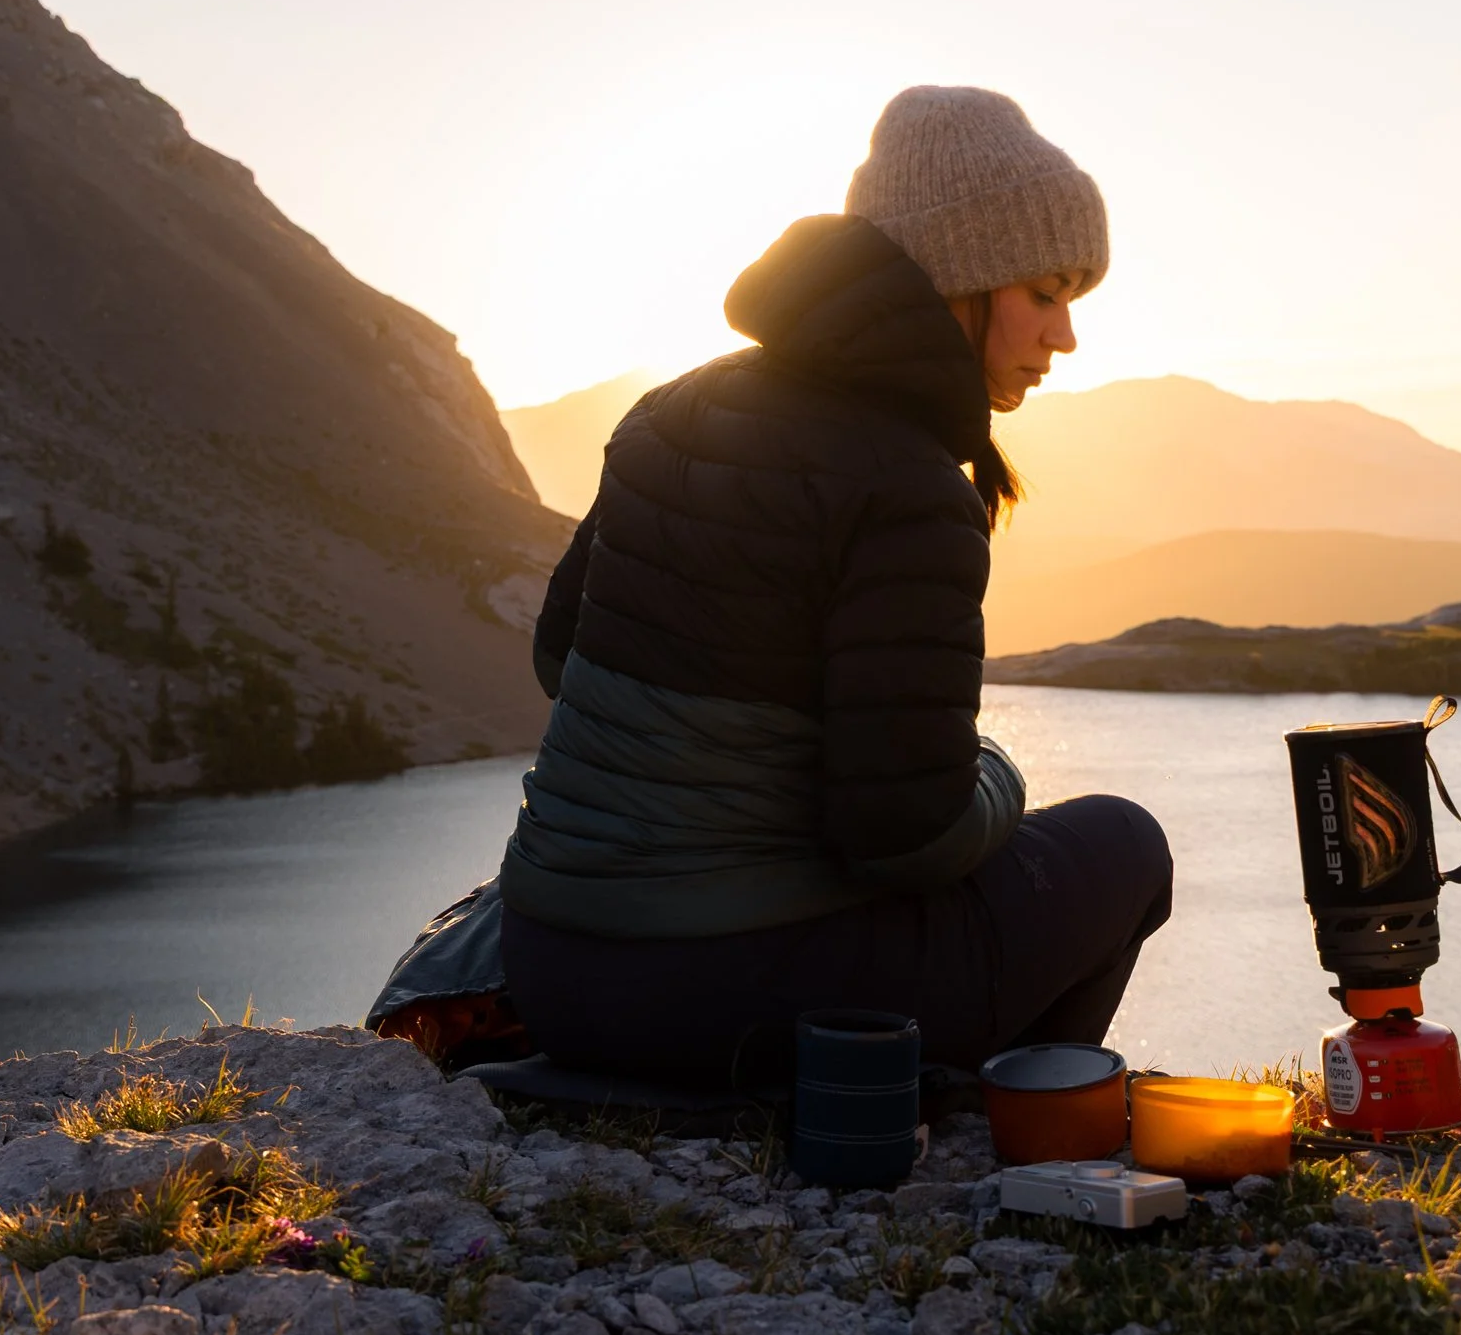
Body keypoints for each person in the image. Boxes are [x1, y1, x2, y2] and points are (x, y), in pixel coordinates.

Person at [497, 85, 1172, 1086]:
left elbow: (563, 657)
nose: (1063, 334)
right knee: (1122, 842)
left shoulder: (669, 410)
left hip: (551, 966)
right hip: (734, 999)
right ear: (960, 277)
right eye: (1044, 290)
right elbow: (909, 834)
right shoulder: (906, 485)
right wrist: (997, 768)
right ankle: (995, 1119)